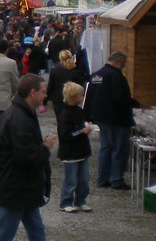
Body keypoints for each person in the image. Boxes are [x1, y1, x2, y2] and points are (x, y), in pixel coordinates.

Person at [0, 74, 81, 241]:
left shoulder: (21, 113)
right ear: (33, 93)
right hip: (16, 182)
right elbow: (25, 156)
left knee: (35, 229)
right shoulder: (19, 118)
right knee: (4, 231)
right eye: (44, 91)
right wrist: (45, 147)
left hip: (21, 183)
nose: (47, 95)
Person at [85, 51, 140, 190]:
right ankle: (116, 179)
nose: (124, 66)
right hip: (116, 118)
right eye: (123, 63)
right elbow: (120, 98)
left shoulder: (96, 74)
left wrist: (90, 116)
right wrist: (135, 103)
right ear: (117, 62)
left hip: (101, 117)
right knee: (119, 149)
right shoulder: (116, 76)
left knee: (106, 148)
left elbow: (89, 95)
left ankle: (102, 178)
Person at [56, 82, 92, 213]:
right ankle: (65, 202)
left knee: (84, 180)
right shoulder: (64, 113)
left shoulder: (79, 111)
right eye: (81, 95)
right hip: (70, 153)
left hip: (82, 151)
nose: (83, 97)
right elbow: (66, 134)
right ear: (74, 97)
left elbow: (82, 124)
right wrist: (83, 131)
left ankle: (80, 201)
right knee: (71, 181)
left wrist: (87, 125)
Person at [46, 49, 87, 117]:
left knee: (60, 121)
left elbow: (50, 87)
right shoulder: (77, 72)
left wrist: (45, 101)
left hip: (58, 100)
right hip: (73, 99)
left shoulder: (55, 71)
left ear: (61, 59)